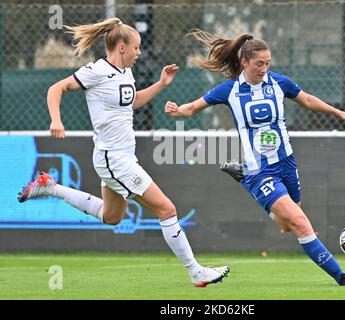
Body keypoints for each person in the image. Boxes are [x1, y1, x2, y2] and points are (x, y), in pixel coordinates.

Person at [17, 19, 229, 288]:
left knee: (111, 216)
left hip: (120, 158)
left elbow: (132, 102)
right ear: (121, 47)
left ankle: (51, 188)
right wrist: (56, 120)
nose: (139, 52)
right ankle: (195, 272)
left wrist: (162, 84)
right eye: (137, 47)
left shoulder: (124, 73)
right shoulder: (96, 71)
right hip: (114, 158)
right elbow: (55, 89)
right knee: (166, 209)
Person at [164, 29, 345, 286]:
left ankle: (242, 177)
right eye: (259, 64)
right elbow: (192, 108)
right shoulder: (229, 90)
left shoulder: (279, 83)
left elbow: (308, 99)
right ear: (244, 62)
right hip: (261, 170)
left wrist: (338, 112)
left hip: (287, 163)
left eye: (268, 63)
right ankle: (344, 279)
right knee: (302, 224)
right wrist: (177, 110)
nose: (264, 68)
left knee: (287, 224)